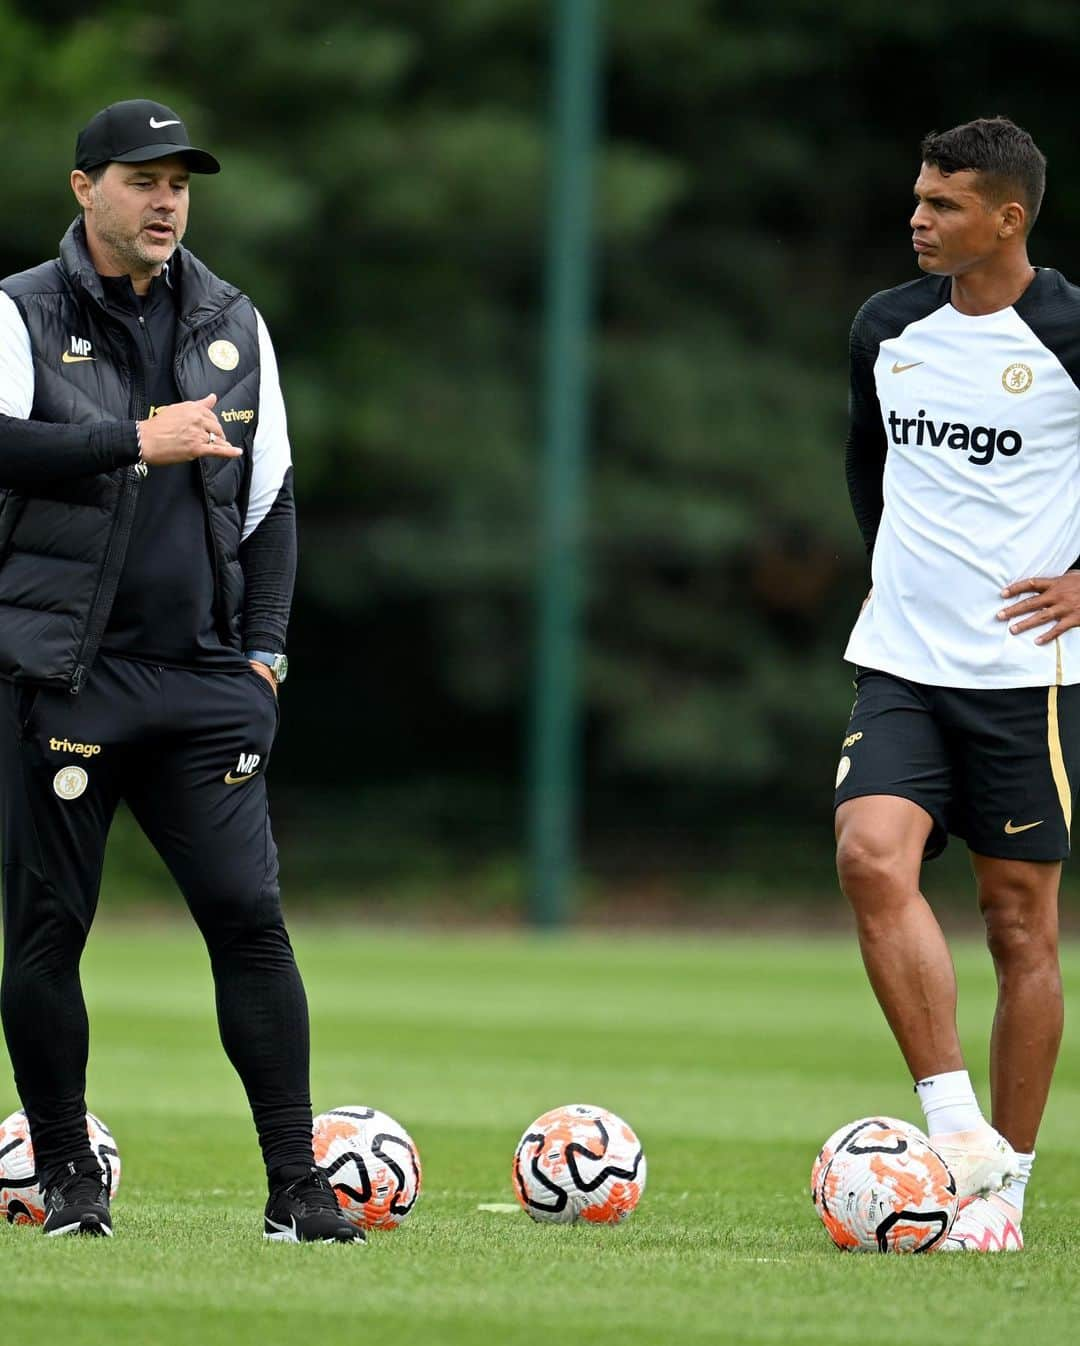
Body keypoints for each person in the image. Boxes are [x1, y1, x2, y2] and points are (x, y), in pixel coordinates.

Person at [0, 99, 361, 1243]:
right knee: (51, 929)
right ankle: (67, 1177)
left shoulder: (231, 319)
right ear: (83, 188)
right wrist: (129, 437)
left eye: (180, 183)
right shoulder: (20, 311)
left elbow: (272, 500)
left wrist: (263, 652)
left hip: (207, 680)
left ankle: (296, 1187)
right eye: (142, 178)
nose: (166, 201)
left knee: (251, 918)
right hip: (65, 675)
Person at [834, 115, 1080, 1253]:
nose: (918, 218)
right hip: (901, 663)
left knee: (1019, 927)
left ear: (1007, 218)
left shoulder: (1073, 332)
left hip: (1026, 683)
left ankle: (1005, 1193)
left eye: (942, 204)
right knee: (867, 855)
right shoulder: (886, 329)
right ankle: (955, 1126)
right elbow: (868, 478)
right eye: (918, 197)